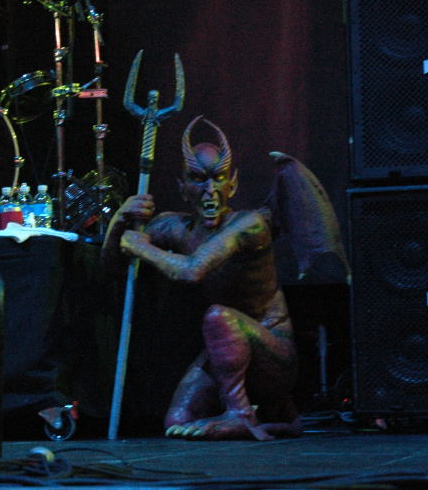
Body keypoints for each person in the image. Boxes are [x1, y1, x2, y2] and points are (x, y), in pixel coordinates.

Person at [102, 115, 344, 440]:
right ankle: (268, 418)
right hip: (225, 353)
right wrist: (120, 220)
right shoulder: (172, 227)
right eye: (198, 179)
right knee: (177, 420)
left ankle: (240, 414)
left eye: (218, 179)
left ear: (233, 184)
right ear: (182, 187)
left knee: (218, 318)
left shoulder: (249, 225)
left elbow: (192, 270)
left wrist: (140, 247)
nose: (210, 191)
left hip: (273, 357)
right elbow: (112, 267)